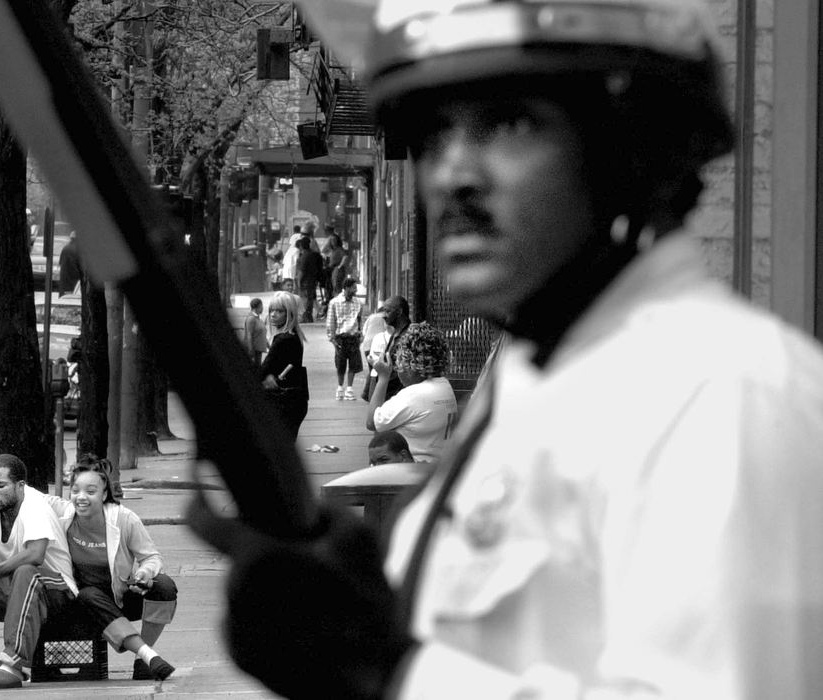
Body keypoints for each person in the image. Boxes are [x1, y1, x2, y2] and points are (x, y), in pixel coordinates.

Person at [189, 0, 823, 697]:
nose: (453, 175)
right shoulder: (532, 370)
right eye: (433, 134)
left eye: (510, 124)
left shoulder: (720, 397)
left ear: (629, 149)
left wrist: (390, 668)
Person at [0, 461, 178, 681]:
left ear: (105, 493)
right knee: (89, 594)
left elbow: (151, 557)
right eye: (75, 491)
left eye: (91, 491)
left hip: (120, 595)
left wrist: (145, 572)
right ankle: (148, 656)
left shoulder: (124, 520)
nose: (81, 497)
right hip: (83, 599)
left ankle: (142, 659)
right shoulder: (64, 511)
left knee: (164, 586)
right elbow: (19, 493)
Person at [0, 454, 77, 690]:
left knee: (26, 571)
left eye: (0, 485)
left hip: (58, 594)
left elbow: (35, 555)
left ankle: (14, 665)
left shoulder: (34, 505)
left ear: (20, 486)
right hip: (19, 595)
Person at [365, 322, 458, 463]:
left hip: (412, 471)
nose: (397, 369)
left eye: (398, 363)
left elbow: (372, 422)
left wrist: (383, 377)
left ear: (410, 365)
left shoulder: (415, 394)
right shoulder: (444, 386)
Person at [259, 291, 309, 439]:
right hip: (294, 400)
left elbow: (264, 368)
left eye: (279, 311)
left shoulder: (282, 339)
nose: (273, 314)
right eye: (271, 310)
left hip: (283, 402)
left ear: (289, 314)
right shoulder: (294, 336)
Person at [325, 276, 363, 401]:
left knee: (353, 364)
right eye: (353, 288)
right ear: (346, 288)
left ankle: (350, 389)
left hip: (353, 337)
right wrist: (332, 338)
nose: (355, 291)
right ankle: (340, 387)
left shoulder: (358, 303)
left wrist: (360, 334)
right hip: (341, 337)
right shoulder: (335, 302)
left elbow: (359, 319)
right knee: (340, 364)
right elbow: (331, 321)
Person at [377, 295, 412, 401]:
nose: (384, 315)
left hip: (397, 396)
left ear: (399, 312)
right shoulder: (395, 333)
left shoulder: (408, 336)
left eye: (388, 311)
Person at [359, 304, 389, 401]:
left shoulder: (371, 317)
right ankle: (369, 393)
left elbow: (364, 331)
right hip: (379, 345)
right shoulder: (385, 319)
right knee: (376, 370)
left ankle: (368, 393)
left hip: (367, 345)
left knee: (372, 369)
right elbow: (387, 330)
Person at [295, 236, 323, 323]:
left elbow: (302, 271)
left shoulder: (304, 256)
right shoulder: (314, 255)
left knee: (305, 299)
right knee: (309, 299)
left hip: (305, 281)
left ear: (301, 246)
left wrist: (298, 281)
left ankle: (306, 316)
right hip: (312, 280)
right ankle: (308, 316)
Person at [243, 297, 268, 366]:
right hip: (254, 350)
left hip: (258, 350)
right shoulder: (251, 318)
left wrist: (268, 344)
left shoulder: (258, 318)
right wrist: (251, 349)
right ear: (258, 306)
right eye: (262, 306)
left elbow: (261, 333)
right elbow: (249, 334)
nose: (262, 308)